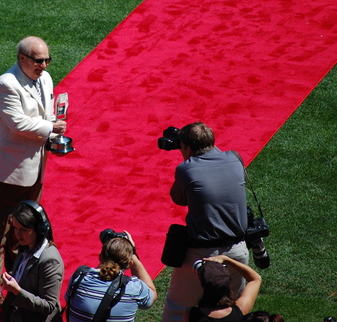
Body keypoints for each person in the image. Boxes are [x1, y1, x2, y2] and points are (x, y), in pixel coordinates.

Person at [0, 36, 67, 307]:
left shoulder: (45, 78)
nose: (44, 65)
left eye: (47, 59)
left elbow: (45, 115)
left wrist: (54, 133)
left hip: (35, 167)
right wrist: (51, 128)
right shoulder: (6, 84)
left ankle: (16, 275)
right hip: (7, 171)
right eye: (39, 60)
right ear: (22, 59)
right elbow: (17, 123)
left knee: (24, 227)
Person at [162, 122, 250, 322]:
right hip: (238, 252)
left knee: (178, 307)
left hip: (204, 255)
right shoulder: (235, 158)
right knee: (232, 309)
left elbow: (178, 199)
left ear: (187, 147)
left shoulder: (186, 169)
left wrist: (188, 159)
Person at [64, 231, 156, 321]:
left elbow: (68, 300)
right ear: (130, 264)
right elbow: (151, 295)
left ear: (100, 256)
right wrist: (132, 253)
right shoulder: (134, 288)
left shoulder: (79, 276)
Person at [0, 201, 64, 322]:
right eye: (15, 228)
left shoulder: (50, 260)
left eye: (23, 230)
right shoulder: (25, 246)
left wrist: (17, 290)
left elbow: (48, 306)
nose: (17, 234)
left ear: (40, 229)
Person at [184, 255, 261, 322]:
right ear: (229, 283)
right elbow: (255, 279)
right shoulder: (240, 311)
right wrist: (227, 259)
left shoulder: (191, 314)